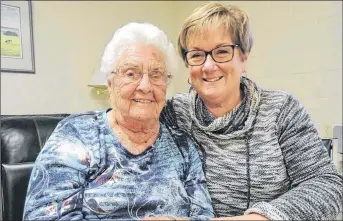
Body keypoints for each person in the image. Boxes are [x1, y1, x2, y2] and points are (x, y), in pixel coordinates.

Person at [160, 2, 343, 220]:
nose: (208, 66)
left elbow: (327, 185)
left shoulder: (280, 110)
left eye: (222, 52)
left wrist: (258, 218)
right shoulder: (173, 114)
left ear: (244, 57)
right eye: (197, 55)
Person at [22, 22, 214, 221]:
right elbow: (43, 216)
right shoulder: (77, 135)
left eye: (157, 75)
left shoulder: (183, 146)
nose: (146, 86)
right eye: (131, 73)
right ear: (110, 83)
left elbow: (204, 216)